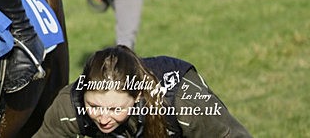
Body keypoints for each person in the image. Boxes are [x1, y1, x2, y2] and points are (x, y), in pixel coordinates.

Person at [40, 45, 252, 137]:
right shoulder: (70, 105)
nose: (103, 117)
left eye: (115, 108)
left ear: (138, 94)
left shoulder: (184, 100)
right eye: (94, 106)